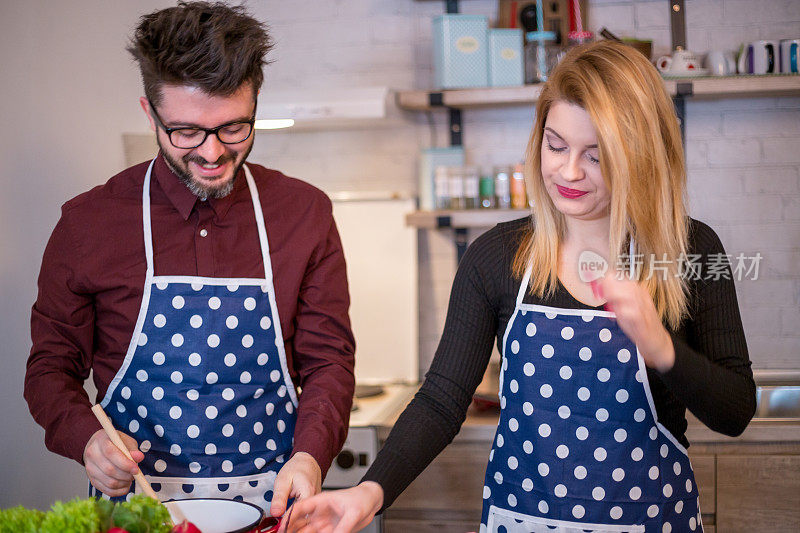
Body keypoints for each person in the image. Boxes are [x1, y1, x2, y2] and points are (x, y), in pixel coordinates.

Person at [288, 41, 756, 533]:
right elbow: (442, 400)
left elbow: (736, 412)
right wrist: (369, 490)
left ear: (639, 157)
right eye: (556, 145)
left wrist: (663, 348)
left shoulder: (693, 251)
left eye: (596, 157)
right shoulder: (497, 256)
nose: (569, 171)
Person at [24, 1, 355, 519]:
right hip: (138, 514)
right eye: (186, 132)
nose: (212, 153)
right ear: (148, 112)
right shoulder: (89, 223)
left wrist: (311, 456)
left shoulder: (303, 213)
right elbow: (49, 368)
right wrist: (87, 442)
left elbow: (328, 360)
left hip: (276, 509)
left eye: (233, 129)